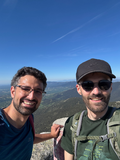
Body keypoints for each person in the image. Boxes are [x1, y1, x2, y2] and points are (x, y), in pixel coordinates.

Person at [61, 58, 120, 160]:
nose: (96, 91)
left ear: (111, 87)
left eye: (103, 84)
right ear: (79, 89)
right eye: (87, 85)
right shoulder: (71, 124)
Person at [0, 67, 61, 160]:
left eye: (38, 91)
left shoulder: (29, 118)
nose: (31, 96)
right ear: (13, 92)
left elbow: (28, 139)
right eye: (25, 88)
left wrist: (51, 135)